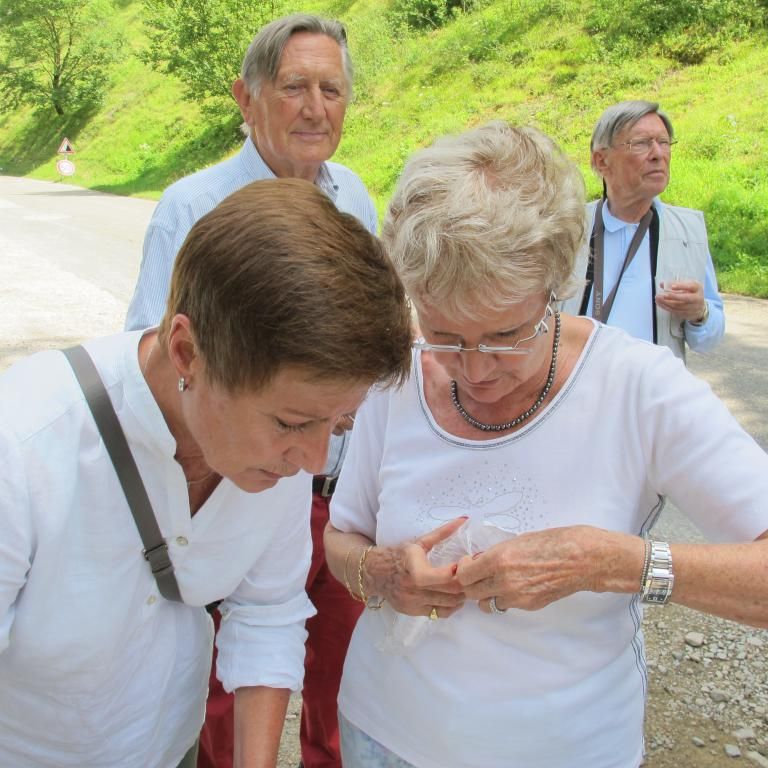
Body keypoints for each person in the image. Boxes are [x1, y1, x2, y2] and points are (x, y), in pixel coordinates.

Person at [323, 122, 768, 768]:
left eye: (506, 336)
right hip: (382, 736)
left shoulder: (637, 386)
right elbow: (343, 536)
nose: (474, 369)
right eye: (445, 335)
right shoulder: (400, 373)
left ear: (556, 286)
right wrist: (382, 574)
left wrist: (609, 563)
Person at [0, 179, 412, 768]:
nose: (315, 461)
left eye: (340, 423)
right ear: (187, 352)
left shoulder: (280, 446)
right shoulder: (22, 447)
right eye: (292, 422)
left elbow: (268, 610)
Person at [124, 14, 372, 768]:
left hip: (336, 488)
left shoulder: (355, 197)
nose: (315, 107)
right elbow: (149, 356)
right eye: (294, 87)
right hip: (233, 482)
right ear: (246, 96)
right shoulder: (192, 205)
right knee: (228, 682)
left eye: (331, 89)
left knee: (338, 673)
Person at [560, 100, 724, 361]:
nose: (658, 154)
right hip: (579, 382)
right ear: (601, 161)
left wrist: (699, 313)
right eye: (641, 143)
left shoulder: (686, 233)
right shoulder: (566, 229)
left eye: (664, 142)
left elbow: (708, 341)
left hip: (656, 387)